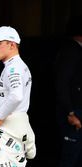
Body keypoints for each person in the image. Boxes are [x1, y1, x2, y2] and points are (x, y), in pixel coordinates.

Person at [0, 26, 36, 167]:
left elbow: (16, 96)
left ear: (12, 45)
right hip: (10, 131)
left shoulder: (14, 68)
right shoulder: (14, 66)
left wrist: (0, 119)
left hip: (12, 131)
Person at [54, 15, 82, 167]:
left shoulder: (74, 50)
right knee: (70, 157)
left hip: (74, 109)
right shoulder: (71, 51)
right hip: (72, 112)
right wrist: (70, 112)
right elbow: (62, 83)